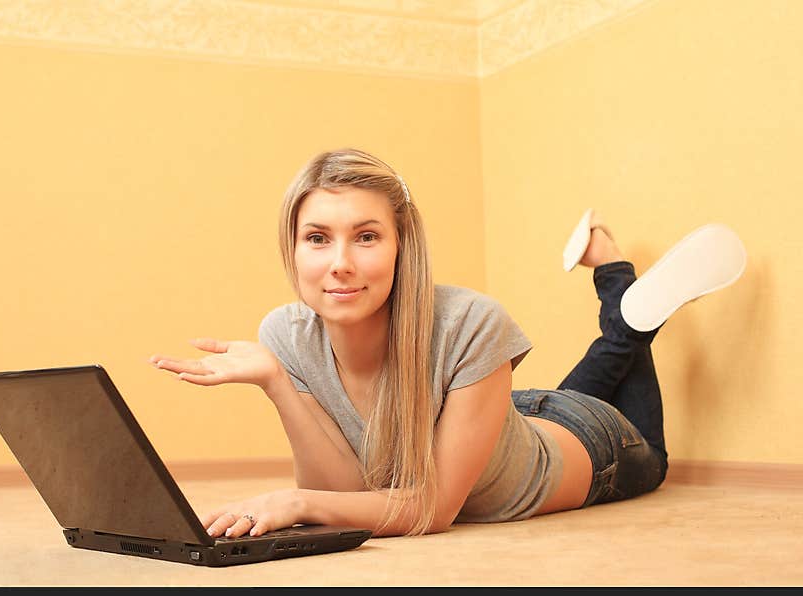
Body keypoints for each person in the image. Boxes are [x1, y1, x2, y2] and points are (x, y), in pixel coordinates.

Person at [149, 148, 746, 539]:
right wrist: (277, 382)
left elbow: (429, 511)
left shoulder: (471, 323)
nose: (340, 264)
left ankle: (626, 299)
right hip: (506, 417)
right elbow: (351, 494)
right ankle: (619, 289)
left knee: (655, 449)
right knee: (559, 390)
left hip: (593, 444)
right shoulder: (284, 334)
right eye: (317, 238)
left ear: (401, 245)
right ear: (292, 249)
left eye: (365, 237)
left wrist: (295, 503)